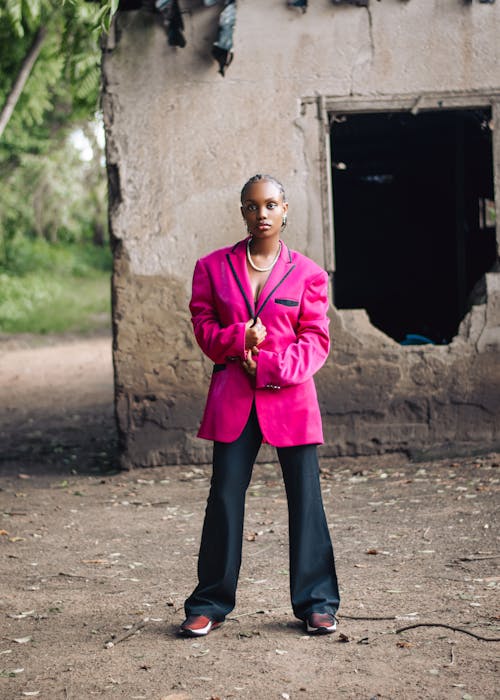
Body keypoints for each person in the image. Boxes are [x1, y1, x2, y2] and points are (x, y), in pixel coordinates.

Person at [180, 174, 340, 637]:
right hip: (233, 403)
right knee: (225, 499)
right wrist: (238, 340)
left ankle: (317, 603)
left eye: (271, 204)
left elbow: (315, 342)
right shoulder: (211, 268)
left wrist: (267, 365)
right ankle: (209, 602)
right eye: (253, 206)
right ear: (242, 212)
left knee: (306, 501)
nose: (262, 213)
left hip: (290, 401)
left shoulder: (308, 273)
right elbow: (204, 330)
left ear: (285, 210)